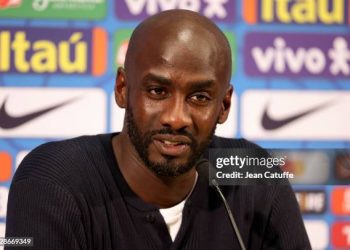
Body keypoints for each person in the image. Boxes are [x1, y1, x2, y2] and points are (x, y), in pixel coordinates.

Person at [5, 10, 311, 249]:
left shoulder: (253, 173)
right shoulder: (52, 177)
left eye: (200, 97)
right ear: (123, 89)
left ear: (224, 106)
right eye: (157, 91)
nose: (176, 118)